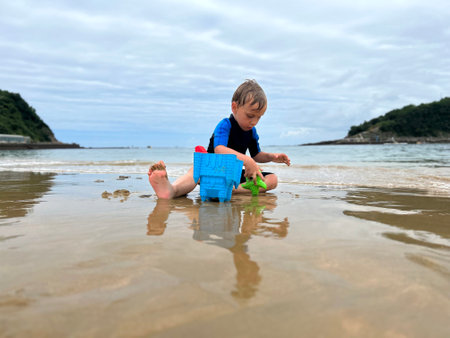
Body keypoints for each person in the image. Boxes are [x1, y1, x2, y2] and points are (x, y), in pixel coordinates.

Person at [148, 79, 291, 199]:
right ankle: (171, 190)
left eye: (259, 117)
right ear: (234, 107)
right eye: (250, 115)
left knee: (273, 180)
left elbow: (256, 155)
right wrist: (248, 161)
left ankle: (234, 190)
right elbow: (219, 149)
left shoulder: (251, 131)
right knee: (195, 172)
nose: (254, 122)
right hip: (211, 168)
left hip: (232, 175)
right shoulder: (225, 125)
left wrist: (273, 157)